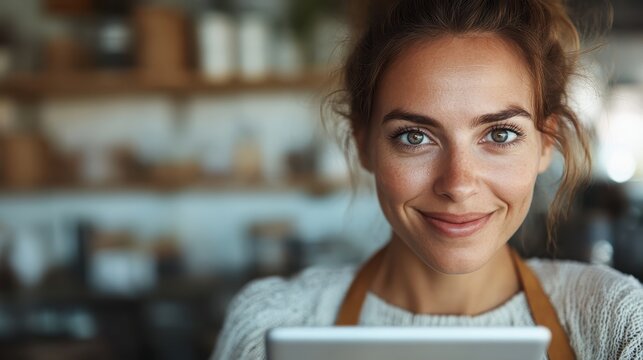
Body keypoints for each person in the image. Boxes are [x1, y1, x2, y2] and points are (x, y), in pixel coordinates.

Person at [212, 0, 643, 359]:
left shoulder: (617, 324)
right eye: (415, 137)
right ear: (364, 144)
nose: (457, 184)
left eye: (500, 134)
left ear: (546, 142)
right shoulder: (270, 324)